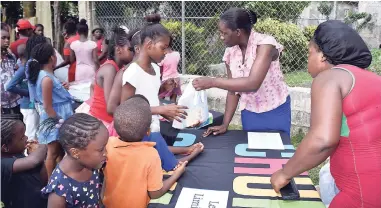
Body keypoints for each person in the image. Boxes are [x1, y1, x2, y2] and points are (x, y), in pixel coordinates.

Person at [270, 20, 381, 208]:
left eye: (309, 52)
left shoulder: (329, 77)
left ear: (322, 55)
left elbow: (322, 140)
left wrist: (284, 174)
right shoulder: (372, 78)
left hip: (362, 192)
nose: (307, 58)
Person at [121, 16, 204, 171]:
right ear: (149, 45)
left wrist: (163, 89)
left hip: (153, 127)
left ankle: (183, 151)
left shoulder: (155, 68)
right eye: (163, 47)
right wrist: (160, 110)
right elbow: (125, 109)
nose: (166, 52)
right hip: (142, 131)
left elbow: (147, 96)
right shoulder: (133, 72)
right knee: (173, 166)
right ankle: (188, 154)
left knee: (158, 151)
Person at [192, 8, 291, 137]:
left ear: (238, 32)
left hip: (275, 111)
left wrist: (213, 82)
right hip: (249, 112)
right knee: (252, 154)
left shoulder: (265, 44)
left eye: (224, 33)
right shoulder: (230, 52)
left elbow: (253, 83)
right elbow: (233, 90)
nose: (221, 37)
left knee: (276, 154)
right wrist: (225, 124)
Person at [103, 95, 194, 208]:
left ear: (115, 129)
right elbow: (155, 193)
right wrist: (176, 174)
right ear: (148, 132)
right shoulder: (150, 154)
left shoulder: (107, 145)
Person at [27, 42, 74, 179]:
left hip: (57, 117)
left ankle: (58, 178)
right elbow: (48, 106)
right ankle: (48, 183)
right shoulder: (46, 78)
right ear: (52, 58)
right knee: (52, 154)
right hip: (55, 119)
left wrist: (61, 88)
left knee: (58, 152)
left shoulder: (46, 75)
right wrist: (60, 121)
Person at [42, 113, 107, 208]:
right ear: (75, 153)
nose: (106, 153)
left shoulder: (91, 164)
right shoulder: (60, 190)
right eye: (101, 149)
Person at [90, 26, 134, 131]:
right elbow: (111, 106)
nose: (134, 53)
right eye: (131, 49)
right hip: (102, 122)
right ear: (118, 50)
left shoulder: (119, 67)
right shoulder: (110, 69)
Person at [1, 119, 48, 208]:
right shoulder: (2, 164)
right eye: (22, 137)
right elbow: (34, 161)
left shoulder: (19, 155)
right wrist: (42, 146)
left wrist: (41, 161)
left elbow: (43, 181)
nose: (26, 138)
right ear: (5, 148)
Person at [6, 43, 39, 141]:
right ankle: (27, 154)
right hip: (28, 105)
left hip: (30, 105)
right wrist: (28, 93)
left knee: (34, 132)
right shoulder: (23, 69)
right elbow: (9, 86)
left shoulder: (26, 67)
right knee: (31, 134)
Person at [1, 24, 21, 119]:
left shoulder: (11, 57)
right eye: (3, 38)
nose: (7, 41)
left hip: (16, 101)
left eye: (8, 38)